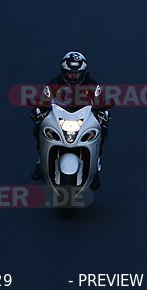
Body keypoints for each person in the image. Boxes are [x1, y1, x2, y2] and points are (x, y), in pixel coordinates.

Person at [30, 51, 112, 190]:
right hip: (61, 116)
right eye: (70, 73)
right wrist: (38, 111)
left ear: (84, 72)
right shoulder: (54, 83)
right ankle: (40, 160)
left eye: (77, 73)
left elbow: (101, 101)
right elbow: (44, 99)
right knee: (38, 128)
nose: (74, 76)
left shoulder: (91, 84)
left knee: (102, 131)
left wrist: (103, 113)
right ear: (63, 71)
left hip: (83, 117)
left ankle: (96, 164)